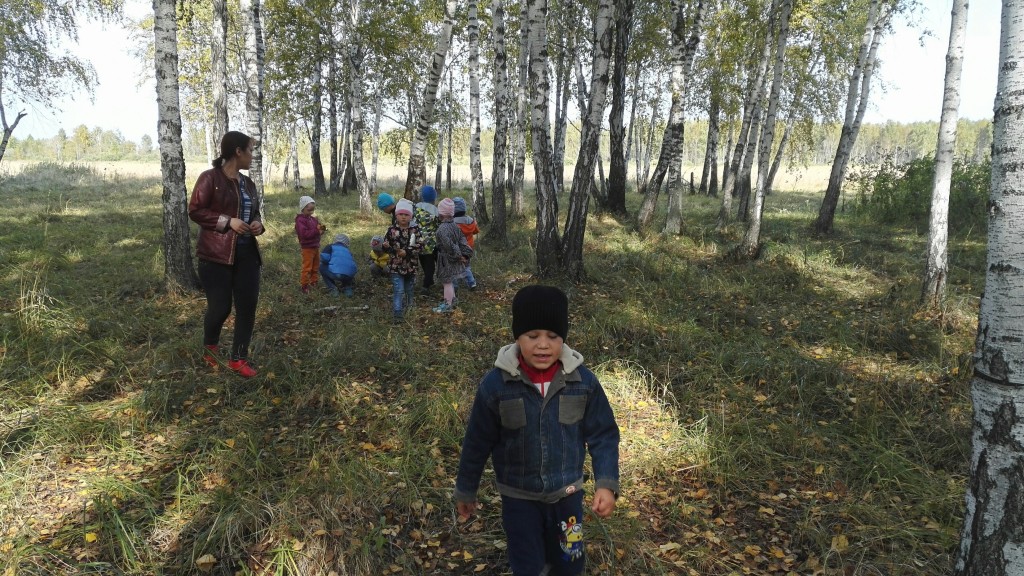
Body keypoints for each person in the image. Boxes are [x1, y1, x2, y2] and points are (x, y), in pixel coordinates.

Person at [455, 285, 620, 576]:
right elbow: (477, 441)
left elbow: (603, 434)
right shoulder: (496, 386)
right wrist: (466, 489)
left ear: (563, 338)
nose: (543, 345)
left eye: (552, 336)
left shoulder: (583, 383)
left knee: (569, 562)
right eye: (532, 336)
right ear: (517, 336)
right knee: (527, 565)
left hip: (567, 498)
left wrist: (606, 483)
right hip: (519, 500)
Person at [188, 131, 265, 378]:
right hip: (216, 256)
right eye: (250, 150)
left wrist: (257, 224)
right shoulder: (209, 178)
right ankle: (210, 349)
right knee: (220, 308)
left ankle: (238, 359)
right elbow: (195, 210)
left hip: (247, 254)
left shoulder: (249, 184)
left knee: (247, 307)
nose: (253, 155)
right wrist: (227, 221)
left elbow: (254, 212)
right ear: (238, 152)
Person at [383, 199, 424, 321]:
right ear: (396, 215)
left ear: (410, 216)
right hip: (396, 266)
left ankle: (410, 307)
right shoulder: (392, 230)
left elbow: (421, 245)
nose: (403, 217)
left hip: (411, 266)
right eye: (401, 214)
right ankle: (398, 312)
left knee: (409, 289)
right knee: (398, 289)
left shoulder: (415, 229)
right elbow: (387, 246)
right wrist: (386, 247)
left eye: (406, 214)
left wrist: (407, 252)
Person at [433, 198, 473, 313]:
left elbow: (449, 245)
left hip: (446, 260)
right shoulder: (455, 226)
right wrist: (465, 254)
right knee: (449, 281)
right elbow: (462, 241)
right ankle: (453, 300)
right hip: (453, 258)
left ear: (441, 213)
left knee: (447, 282)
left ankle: (448, 305)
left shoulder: (442, 229)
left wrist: (458, 255)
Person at [295, 195, 325, 294]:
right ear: (303, 208)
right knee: (307, 267)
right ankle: (304, 285)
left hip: (315, 246)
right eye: (309, 210)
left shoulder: (313, 219)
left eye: (313, 210)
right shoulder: (300, 220)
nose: (311, 212)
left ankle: (314, 281)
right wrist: (316, 231)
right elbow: (304, 234)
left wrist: (322, 229)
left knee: (315, 265)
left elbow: (318, 227)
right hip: (307, 247)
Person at [413, 185, 440, 294]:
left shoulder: (416, 208)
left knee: (423, 260)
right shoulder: (436, 211)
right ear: (434, 198)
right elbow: (438, 225)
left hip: (419, 240)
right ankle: (426, 284)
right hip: (431, 242)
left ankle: (429, 281)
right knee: (430, 264)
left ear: (422, 196)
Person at [452, 197, 479, 290]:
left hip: (457, 249)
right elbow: (476, 231)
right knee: (466, 266)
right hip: (468, 249)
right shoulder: (470, 220)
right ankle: (472, 283)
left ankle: (454, 286)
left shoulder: (452, 222)